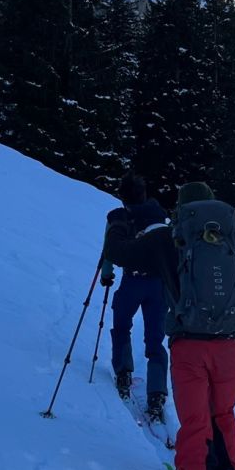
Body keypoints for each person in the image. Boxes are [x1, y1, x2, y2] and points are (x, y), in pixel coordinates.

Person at [104, 180, 235, 470]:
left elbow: (119, 253)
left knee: (195, 425)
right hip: (230, 348)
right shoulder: (227, 245)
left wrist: (118, 222)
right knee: (223, 414)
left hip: (190, 347)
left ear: (181, 211)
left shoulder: (167, 240)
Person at [101, 173, 169, 423]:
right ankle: (157, 393)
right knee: (155, 339)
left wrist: (106, 274)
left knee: (121, 325)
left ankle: (123, 371)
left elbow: (110, 249)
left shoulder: (121, 217)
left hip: (133, 281)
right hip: (159, 285)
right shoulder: (159, 215)